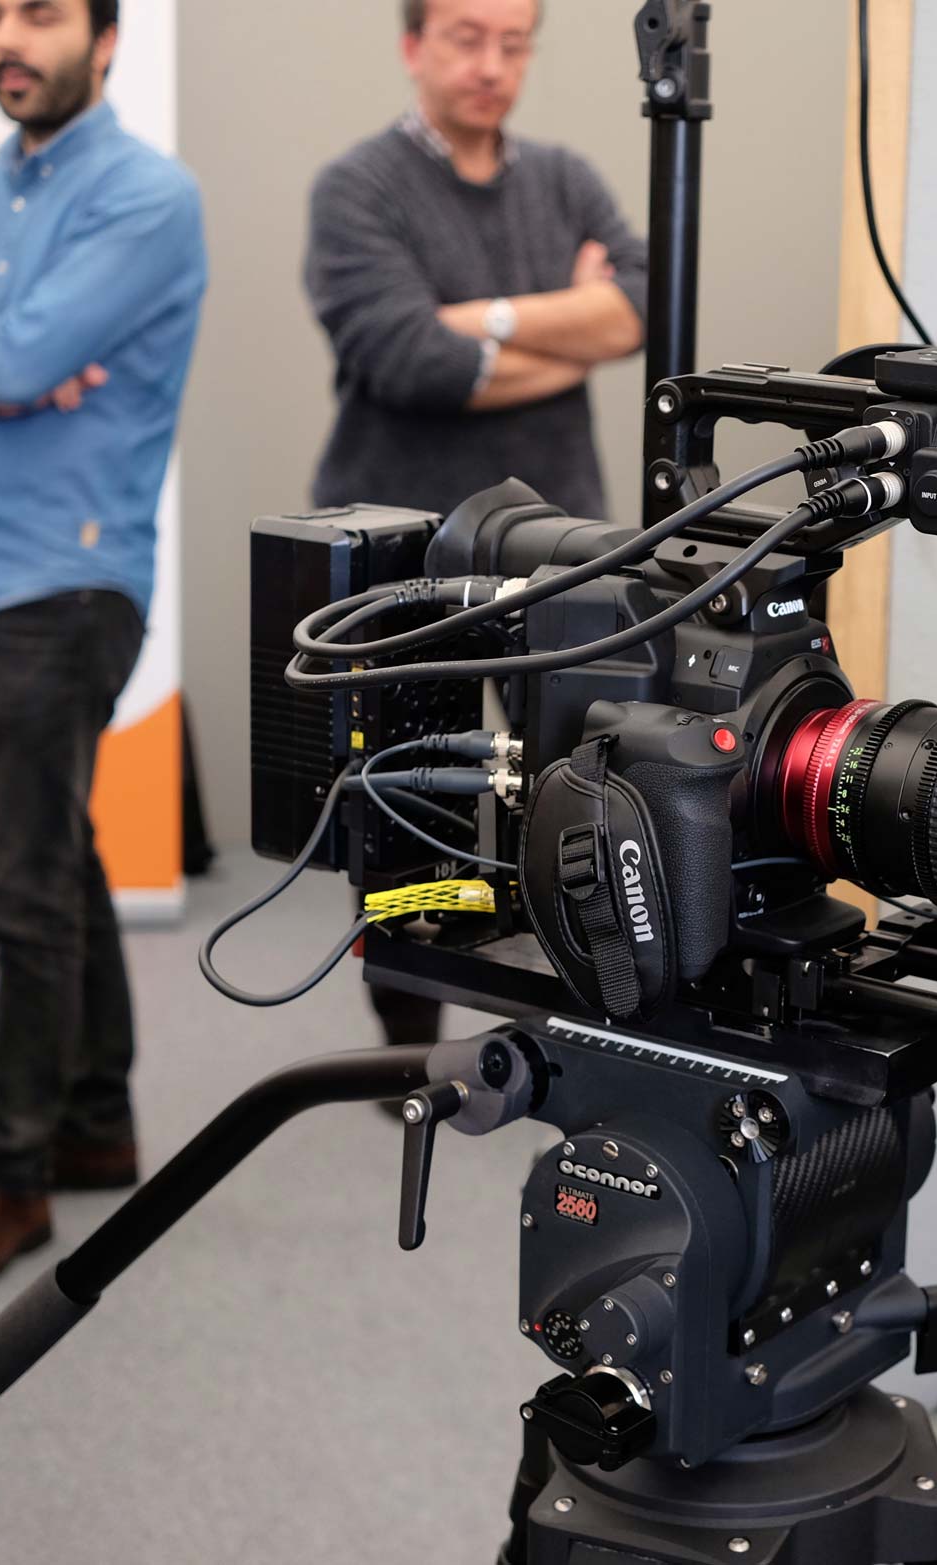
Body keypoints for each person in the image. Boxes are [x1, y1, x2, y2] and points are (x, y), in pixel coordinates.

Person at [0, 0, 207, 1302]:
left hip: (66, 581)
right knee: (56, 856)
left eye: (42, 14)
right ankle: (93, 1122)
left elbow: (8, 357)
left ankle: (11, 1177)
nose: (9, 38)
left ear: (105, 39)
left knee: (22, 887)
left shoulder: (149, 196)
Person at [305, 0, 648, 1059]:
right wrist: (567, 325)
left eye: (513, 41)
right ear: (413, 45)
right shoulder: (358, 187)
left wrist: (482, 322)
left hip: (558, 546)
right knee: (404, 806)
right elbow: (408, 359)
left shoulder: (566, 178)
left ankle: (556, 1041)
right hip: (405, 551)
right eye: (465, 36)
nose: (490, 63)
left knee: (570, 792)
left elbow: (640, 306)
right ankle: (407, 1043)